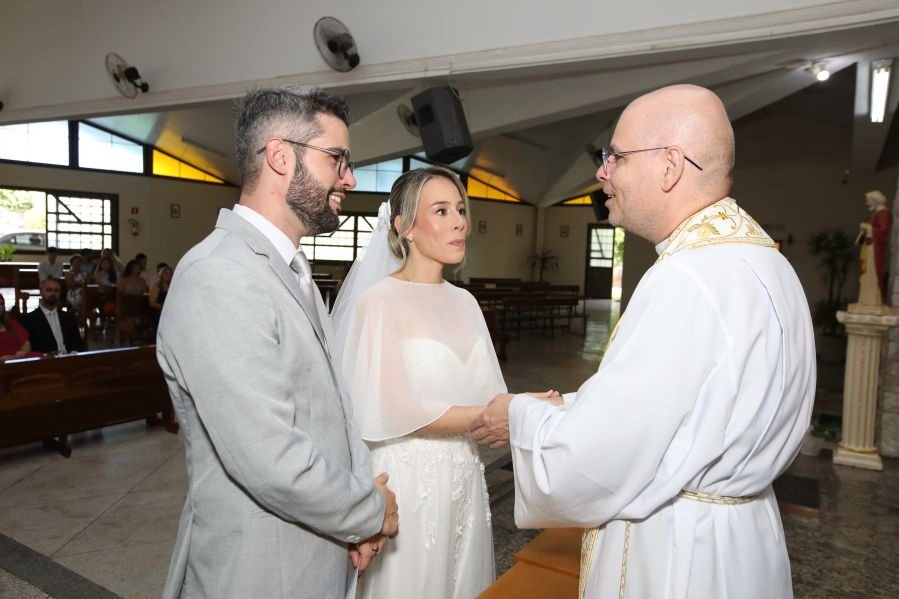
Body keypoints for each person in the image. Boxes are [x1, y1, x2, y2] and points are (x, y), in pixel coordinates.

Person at [470, 84, 816, 599]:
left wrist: (518, 414)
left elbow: (597, 457)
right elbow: (689, 412)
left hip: (680, 556)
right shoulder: (767, 262)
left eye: (617, 156)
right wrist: (568, 406)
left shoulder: (689, 277)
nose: (602, 172)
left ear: (670, 166)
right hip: (742, 544)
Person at [156, 86, 397, 599]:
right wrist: (370, 512)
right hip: (261, 571)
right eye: (336, 159)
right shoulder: (219, 274)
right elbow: (270, 458)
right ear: (281, 156)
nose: (349, 178)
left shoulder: (293, 271)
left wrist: (356, 519)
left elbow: (337, 411)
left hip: (319, 552)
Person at [332, 168, 509, 599]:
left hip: (464, 475)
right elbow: (393, 410)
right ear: (405, 226)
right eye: (442, 211)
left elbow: (493, 397)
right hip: (408, 481)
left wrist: (523, 411)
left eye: (461, 210)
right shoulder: (379, 302)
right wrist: (497, 414)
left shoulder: (466, 302)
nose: (459, 222)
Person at [21, 277, 85, 355]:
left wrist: (73, 354)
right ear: (41, 292)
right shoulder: (28, 320)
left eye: (56, 290)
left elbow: (77, 342)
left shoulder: (69, 318)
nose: (53, 293)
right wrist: (45, 356)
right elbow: (27, 349)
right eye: (49, 290)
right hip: (45, 361)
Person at [857, 189, 892, 305]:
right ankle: (866, 299)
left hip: (874, 249)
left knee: (872, 273)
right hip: (870, 247)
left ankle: (872, 299)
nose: (867, 203)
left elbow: (883, 231)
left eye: (868, 201)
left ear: (874, 200)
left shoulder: (883, 213)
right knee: (867, 273)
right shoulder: (876, 213)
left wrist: (868, 228)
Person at [0, 294, 41, 360]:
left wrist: (18, 356)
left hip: (17, 359)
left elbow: (26, 345)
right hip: (2, 362)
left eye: (1, 304)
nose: (0, 307)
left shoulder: (12, 324)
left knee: (38, 355)